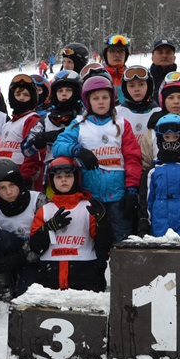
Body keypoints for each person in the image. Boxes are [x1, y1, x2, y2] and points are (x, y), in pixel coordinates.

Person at [52, 75, 142, 244]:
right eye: (95, 98)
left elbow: (132, 158)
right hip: (90, 196)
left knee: (121, 240)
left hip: (118, 196)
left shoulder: (122, 124)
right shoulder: (79, 124)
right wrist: (77, 150)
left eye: (105, 97)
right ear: (87, 101)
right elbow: (58, 146)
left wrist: (131, 189)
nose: (101, 102)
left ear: (111, 99)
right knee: (93, 240)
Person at [28, 157, 111, 291]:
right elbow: (35, 246)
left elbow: (103, 244)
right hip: (51, 272)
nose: (64, 180)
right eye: (58, 177)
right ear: (51, 180)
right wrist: (49, 227)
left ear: (76, 178)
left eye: (68, 175)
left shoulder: (89, 207)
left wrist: (103, 222)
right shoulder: (45, 210)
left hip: (84, 272)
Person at [0, 159, 46, 304]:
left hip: (37, 260)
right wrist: (2, 266)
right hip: (13, 260)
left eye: (12, 185)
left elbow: (47, 241)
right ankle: (4, 290)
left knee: (26, 298)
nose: (9, 192)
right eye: (2, 188)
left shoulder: (38, 201)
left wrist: (23, 256)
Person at [23, 70, 82, 176]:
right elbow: (26, 150)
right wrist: (42, 139)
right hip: (54, 174)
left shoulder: (84, 118)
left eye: (68, 90)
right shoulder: (46, 120)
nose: (64, 93)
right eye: (60, 91)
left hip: (80, 173)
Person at [0, 74, 44, 188]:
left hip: (22, 178)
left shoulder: (32, 120)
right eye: (17, 94)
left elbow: (34, 155)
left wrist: (26, 178)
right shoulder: (7, 124)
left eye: (26, 95)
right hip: (4, 178)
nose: (21, 98)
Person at [117, 65, 159, 137]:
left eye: (141, 84)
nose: (137, 89)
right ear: (125, 89)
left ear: (148, 86)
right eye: (132, 86)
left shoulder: (157, 112)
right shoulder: (117, 113)